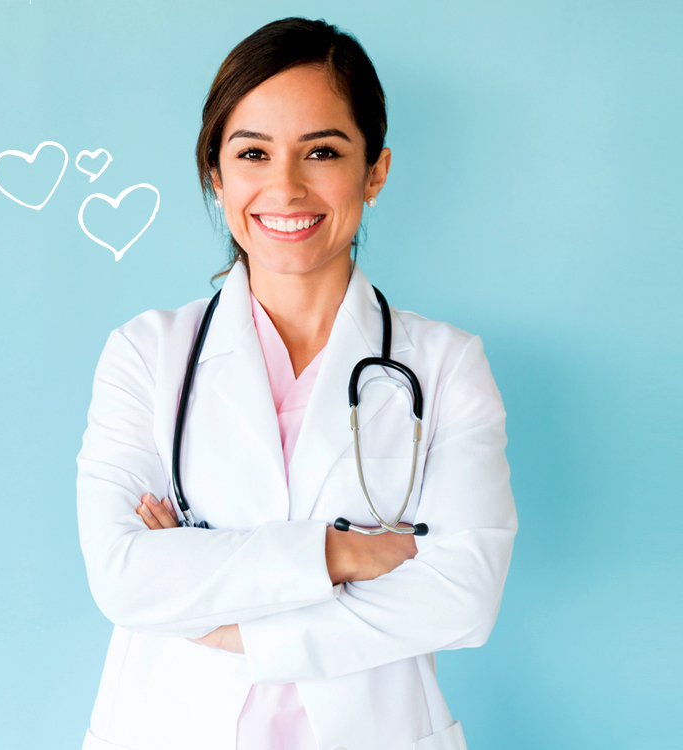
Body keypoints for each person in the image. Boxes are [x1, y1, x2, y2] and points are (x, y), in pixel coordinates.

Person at [76, 17, 517, 750]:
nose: (285, 187)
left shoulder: (446, 365)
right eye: (252, 153)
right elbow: (124, 576)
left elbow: (464, 597)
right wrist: (340, 554)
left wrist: (221, 615)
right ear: (215, 175)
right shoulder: (147, 355)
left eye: (323, 151)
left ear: (374, 171)